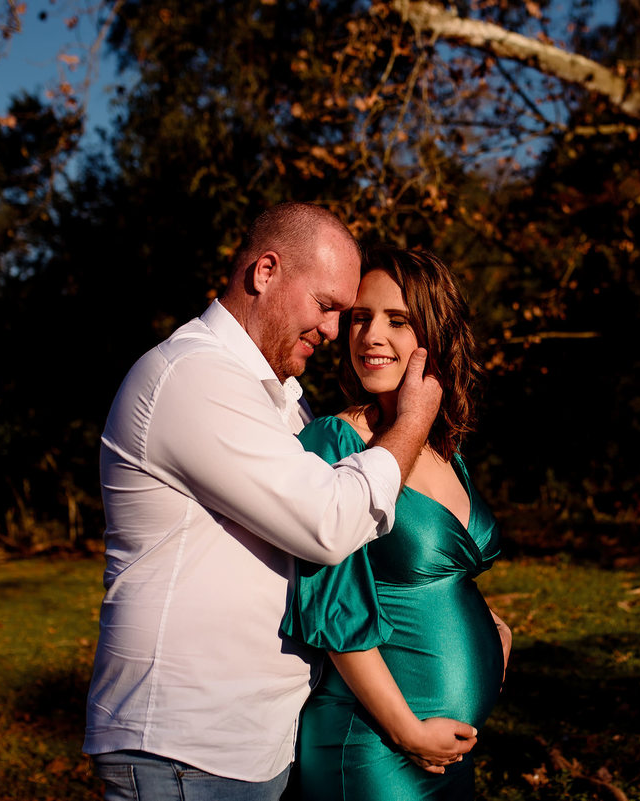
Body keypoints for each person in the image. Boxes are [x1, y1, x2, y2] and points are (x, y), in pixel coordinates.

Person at [83, 203, 476, 801]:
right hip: (184, 746)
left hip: (254, 742)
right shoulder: (192, 378)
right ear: (266, 271)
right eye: (329, 307)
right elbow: (330, 523)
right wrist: (414, 420)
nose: (334, 330)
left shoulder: (280, 402)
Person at [282, 246, 513, 800]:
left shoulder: (438, 444)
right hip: (375, 743)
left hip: (445, 746)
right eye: (360, 318)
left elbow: (428, 577)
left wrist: (496, 629)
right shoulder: (335, 443)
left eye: (397, 320)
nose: (370, 336)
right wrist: (408, 732)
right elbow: (332, 609)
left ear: (435, 331)